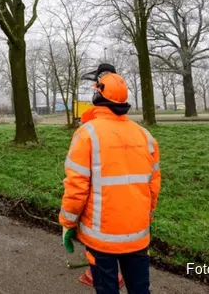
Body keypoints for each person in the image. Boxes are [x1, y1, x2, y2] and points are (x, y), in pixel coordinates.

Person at [59, 63, 161, 294]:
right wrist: (145, 219)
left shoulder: (87, 134)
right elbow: (154, 187)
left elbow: (76, 188)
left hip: (101, 240)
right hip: (137, 236)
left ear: (97, 96)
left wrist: (67, 223)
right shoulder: (146, 136)